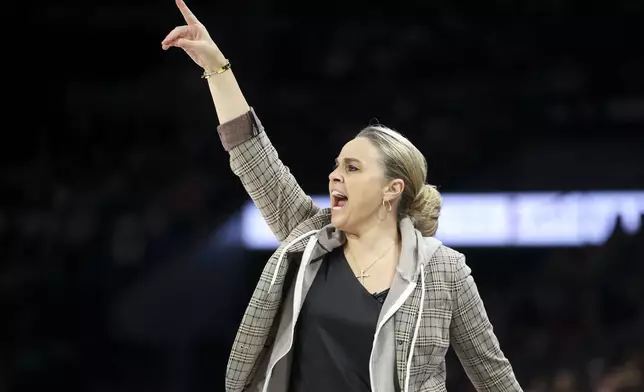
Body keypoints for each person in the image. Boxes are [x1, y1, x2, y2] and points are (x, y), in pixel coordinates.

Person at [162, 1, 523, 391]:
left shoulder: (445, 272)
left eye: (352, 168)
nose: (335, 175)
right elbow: (252, 154)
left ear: (392, 189)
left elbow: (494, 377)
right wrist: (216, 67)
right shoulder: (306, 236)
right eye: (337, 166)